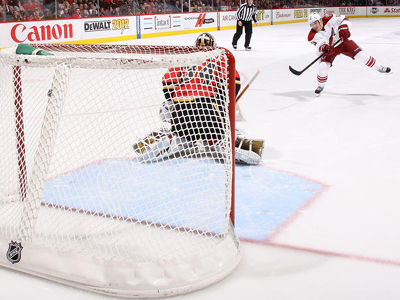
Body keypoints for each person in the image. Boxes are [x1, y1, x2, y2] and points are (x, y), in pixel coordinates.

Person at [133, 33, 264, 165]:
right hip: (207, 110)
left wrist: (173, 103)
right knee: (218, 125)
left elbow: (168, 83)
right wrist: (223, 104)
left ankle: (177, 139)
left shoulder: (184, 59)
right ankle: (221, 141)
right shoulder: (220, 58)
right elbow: (233, 83)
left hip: (180, 114)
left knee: (171, 113)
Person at [308, 12, 392, 96]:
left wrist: (343, 27)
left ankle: (379, 67)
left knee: (361, 56)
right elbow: (319, 43)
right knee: (323, 66)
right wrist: (325, 47)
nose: (314, 26)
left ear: (320, 20)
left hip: (342, 43)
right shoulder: (312, 35)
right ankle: (320, 85)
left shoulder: (329, 18)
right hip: (330, 50)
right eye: (312, 25)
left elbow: (344, 19)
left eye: (315, 23)